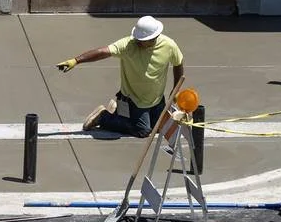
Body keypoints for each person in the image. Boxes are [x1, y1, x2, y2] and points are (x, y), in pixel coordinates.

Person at [55, 16, 184, 138]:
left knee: (162, 127)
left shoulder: (169, 45)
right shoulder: (128, 45)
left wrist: (176, 89)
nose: (138, 41)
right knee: (143, 131)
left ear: (153, 38)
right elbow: (103, 52)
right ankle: (104, 117)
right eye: (137, 39)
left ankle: (119, 113)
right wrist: (76, 60)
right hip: (134, 100)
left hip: (156, 100)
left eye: (142, 40)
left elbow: (178, 63)